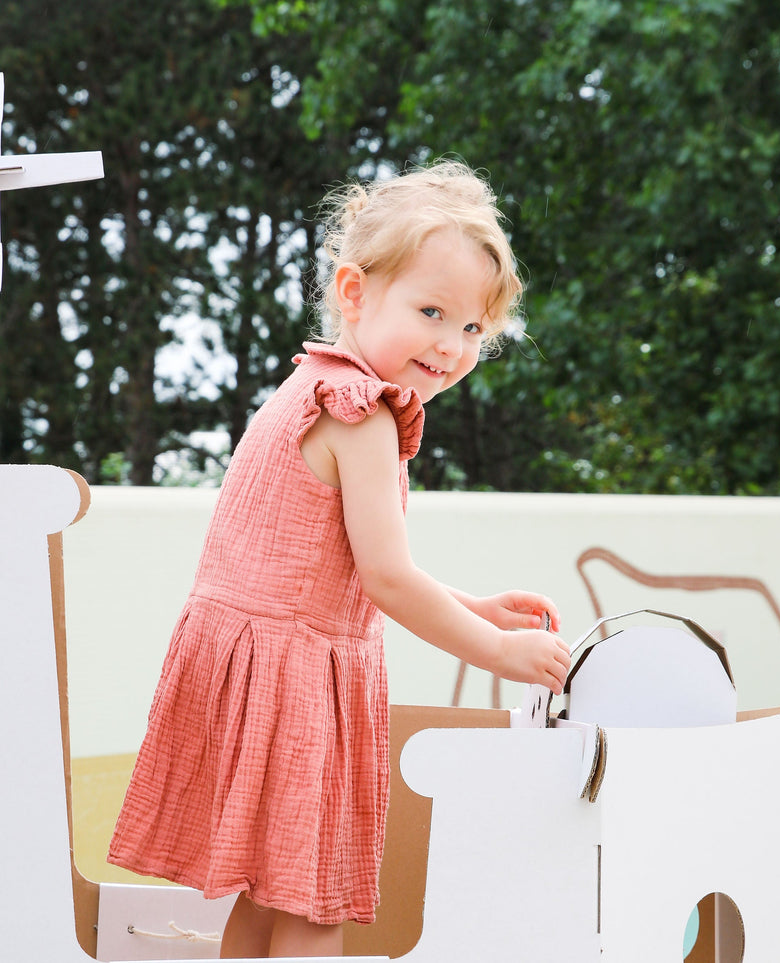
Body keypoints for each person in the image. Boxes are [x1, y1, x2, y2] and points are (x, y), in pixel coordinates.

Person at [106, 160, 572, 959]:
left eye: (472, 329)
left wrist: (471, 604)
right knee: (313, 904)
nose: (451, 345)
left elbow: (344, 563)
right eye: (431, 311)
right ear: (354, 292)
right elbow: (386, 577)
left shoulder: (313, 386)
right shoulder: (362, 415)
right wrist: (496, 649)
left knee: (263, 896)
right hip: (294, 681)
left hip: (252, 666)